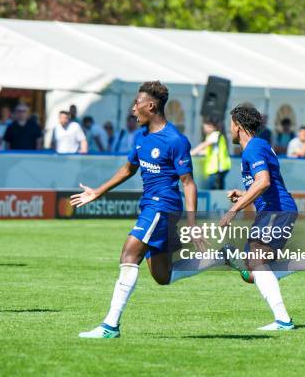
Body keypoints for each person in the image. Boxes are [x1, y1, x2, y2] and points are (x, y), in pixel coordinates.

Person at [74, 81, 224, 339]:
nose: (133, 108)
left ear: (151, 106)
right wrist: (98, 191)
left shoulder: (175, 140)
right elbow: (128, 168)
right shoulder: (141, 136)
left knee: (129, 253)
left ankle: (110, 325)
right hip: (151, 204)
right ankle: (221, 257)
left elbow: (188, 183)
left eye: (137, 103)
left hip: (163, 206)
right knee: (162, 276)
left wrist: (192, 222)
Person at [219, 104, 305, 330]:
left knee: (256, 264)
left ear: (238, 126)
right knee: (252, 273)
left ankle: (283, 320)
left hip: (276, 210)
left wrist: (234, 209)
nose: (229, 129)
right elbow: (266, 183)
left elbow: (264, 182)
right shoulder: (257, 147)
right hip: (274, 210)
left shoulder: (253, 148)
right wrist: (242, 194)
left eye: (230, 124)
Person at [190, 117, 231, 190]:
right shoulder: (211, 136)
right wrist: (197, 153)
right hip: (215, 169)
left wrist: (191, 153)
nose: (204, 129)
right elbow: (208, 151)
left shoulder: (215, 134)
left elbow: (205, 144)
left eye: (205, 126)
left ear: (212, 126)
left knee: (216, 191)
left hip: (218, 169)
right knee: (214, 190)